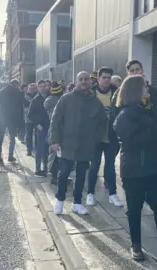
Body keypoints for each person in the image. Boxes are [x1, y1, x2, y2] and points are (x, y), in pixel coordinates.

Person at [114, 75, 157, 262]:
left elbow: (154, 136)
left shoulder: (147, 111)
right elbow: (132, 143)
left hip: (154, 169)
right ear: (135, 91)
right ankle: (136, 245)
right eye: (144, 87)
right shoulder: (124, 116)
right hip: (134, 172)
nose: (147, 90)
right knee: (134, 209)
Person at [49, 71, 107, 215]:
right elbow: (55, 121)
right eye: (81, 79)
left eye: (86, 79)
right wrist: (54, 141)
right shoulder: (65, 99)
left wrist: (97, 139)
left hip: (86, 145)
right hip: (67, 143)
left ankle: (77, 203)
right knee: (63, 175)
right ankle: (60, 201)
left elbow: (103, 123)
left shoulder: (95, 102)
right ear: (76, 82)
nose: (84, 81)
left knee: (81, 175)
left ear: (90, 82)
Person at [86, 66, 123, 207]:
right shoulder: (91, 93)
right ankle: (90, 193)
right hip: (95, 137)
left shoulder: (117, 92)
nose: (107, 80)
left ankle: (113, 194)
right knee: (94, 166)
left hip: (111, 136)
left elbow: (121, 111)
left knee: (110, 166)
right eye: (104, 77)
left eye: (109, 77)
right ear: (98, 78)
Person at [0, 79, 24, 163]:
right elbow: (20, 107)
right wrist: (20, 120)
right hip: (13, 119)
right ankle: (10, 156)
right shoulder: (19, 93)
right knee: (12, 137)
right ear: (16, 84)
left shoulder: (2, 91)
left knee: (0, 137)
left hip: (3, 117)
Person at [28, 80, 51, 176]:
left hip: (50, 127)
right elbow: (30, 114)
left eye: (44, 86)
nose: (42, 88)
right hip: (41, 128)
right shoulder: (36, 99)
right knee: (40, 149)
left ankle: (46, 168)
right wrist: (37, 124)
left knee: (47, 150)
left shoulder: (50, 96)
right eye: (40, 86)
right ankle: (38, 169)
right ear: (37, 88)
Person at [44, 81, 64, 183]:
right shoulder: (61, 100)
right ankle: (55, 177)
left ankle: (54, 176)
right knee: (56, 155)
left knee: (54, 154)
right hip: (58, 129)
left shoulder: (48, 100)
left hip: (52, 128)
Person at [24, 83, 38, 156]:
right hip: (28, 118)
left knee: (36, 135)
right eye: (30, 89)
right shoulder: (25, 96)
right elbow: (24, 107)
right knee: (29, 135)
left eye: (33, 88)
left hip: (36, 118)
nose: (31, 90)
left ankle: (36, 149)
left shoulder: (37, 95)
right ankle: (29, 150)